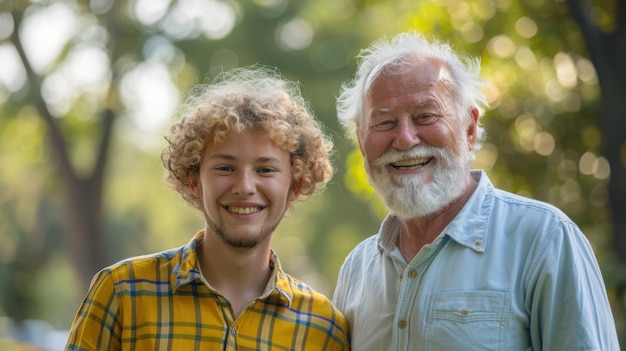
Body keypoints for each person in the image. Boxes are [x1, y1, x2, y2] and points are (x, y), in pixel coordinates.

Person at [332, 31, 620, 350]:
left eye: (425, 116)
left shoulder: (545, 239)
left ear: (469, 128)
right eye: (384, 123)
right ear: (361, 141)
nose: (405, 139)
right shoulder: (356, 269)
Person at [65, 66, 349, 350]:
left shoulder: (322, 329)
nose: (245, 186)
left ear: (295, 185)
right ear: (193, 181)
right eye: (225, 167)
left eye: (265, 169)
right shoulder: (122, 293)